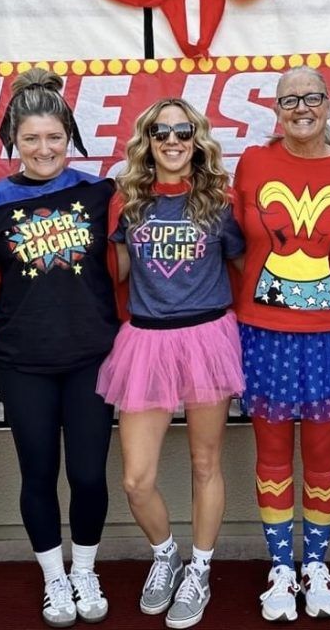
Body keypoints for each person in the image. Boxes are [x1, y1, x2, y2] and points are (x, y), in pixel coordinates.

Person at [232, 65, 330, 622]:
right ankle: (281, 568)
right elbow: (231, 240)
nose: (301, 107)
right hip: (264, 335)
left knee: (322, 458)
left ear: (328, 103)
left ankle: (315, 564)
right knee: (271, 456)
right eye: (288, 98)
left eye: (311, 97)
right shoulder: (252, 163)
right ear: (276, 108)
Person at [0, 68, 119, 629]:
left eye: (54, 136)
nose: (43, 148)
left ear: (71, 137)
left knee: (86, 474)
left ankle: (84, 569)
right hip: (23, 359)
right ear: (12, 140)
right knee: (37, 473)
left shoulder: (99, 192)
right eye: (30, 138)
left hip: (91, 356)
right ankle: (53, 578)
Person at [96, 97, 245, 629]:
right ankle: (165, 556)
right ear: (148, 141)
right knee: (137, 479)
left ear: (198, 139)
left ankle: (200, 569)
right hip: (146, 341)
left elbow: (245, 268)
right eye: (162, 133)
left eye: (184, 131)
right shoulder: (128, 203)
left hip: (207, 336)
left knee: (206, 464)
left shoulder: (219, 202)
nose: (174, 141)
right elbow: (109, 273)